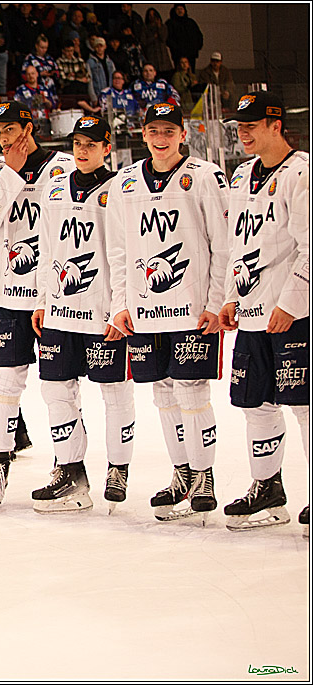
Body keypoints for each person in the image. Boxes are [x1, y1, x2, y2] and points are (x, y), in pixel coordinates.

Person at [108, 101, 230, 523]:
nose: (161, 139)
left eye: (169, 132)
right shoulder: (125, 182)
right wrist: (119, 305)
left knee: (192, 391)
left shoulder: (205, 176)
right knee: (162, 392)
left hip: (192, 309)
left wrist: (216, 303)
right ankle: (182, 474)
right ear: (143, 135)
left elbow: (222, 244)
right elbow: (119, 251)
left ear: (183, 134)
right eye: (154, 132)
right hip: (144, 310)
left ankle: (205, 475)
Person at [0, 101, 75, 509]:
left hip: (55, 297)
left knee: (57, 387)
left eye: (10, 129)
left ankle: (68, 468)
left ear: (29, 128)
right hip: (3, 294)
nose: (3, 139)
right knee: (5, 384)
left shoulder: (63, 167)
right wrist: (10, 174)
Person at [29, 116, 135, 513]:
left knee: (114, 392)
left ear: (107, 147)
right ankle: (70, 470)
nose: (83, 150)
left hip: (102, 311)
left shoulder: (120, 189)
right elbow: (45, 248)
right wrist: (41, 299)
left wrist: (119, 308)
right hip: (59, 310)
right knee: (56, 391)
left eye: (91, 144)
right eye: (77, 142)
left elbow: (124, 255)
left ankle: (117, 468)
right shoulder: (54, 187)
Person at [218, 92, 309, 534]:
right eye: (240, 125)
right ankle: (267, 487)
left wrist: (292, 303)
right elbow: (236, 243)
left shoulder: (301, 172)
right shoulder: (241, 176)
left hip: (292, 314)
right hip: (251, 312)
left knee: (305, 406)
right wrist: (230, 296)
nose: (244, 132)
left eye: (252, 124)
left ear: (276, 124)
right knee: (256, 403)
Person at [166, 4, 203, 73]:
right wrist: (176, 48)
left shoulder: (191, 22)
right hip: (178, 54)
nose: (180, 11)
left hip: (191, 54)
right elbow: (168, 39)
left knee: (191, 72)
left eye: (181, 9)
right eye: (178, 9)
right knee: (179, 73)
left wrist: (197, 47)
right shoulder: (170, 23)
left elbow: (199, 35)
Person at [141, 8, 173, 79]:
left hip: (162, 56)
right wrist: (153, 37)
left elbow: (163, 38)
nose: (152, 17)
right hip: (151, 54)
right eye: (150, 15)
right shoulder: (145, 28)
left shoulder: (163, 27)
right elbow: (143, 42)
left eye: (154, 15)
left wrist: (159, 27)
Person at [87, 37, 116, 102]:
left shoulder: (110, 62)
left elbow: (114, 78)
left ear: (105, 46)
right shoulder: (90, 62)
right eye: (97, 46)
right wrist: (93, 97)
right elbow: (89, 81)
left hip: (110, 94)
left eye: (101, 46)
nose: (99, 48)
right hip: (98, 94)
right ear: (94, 48)